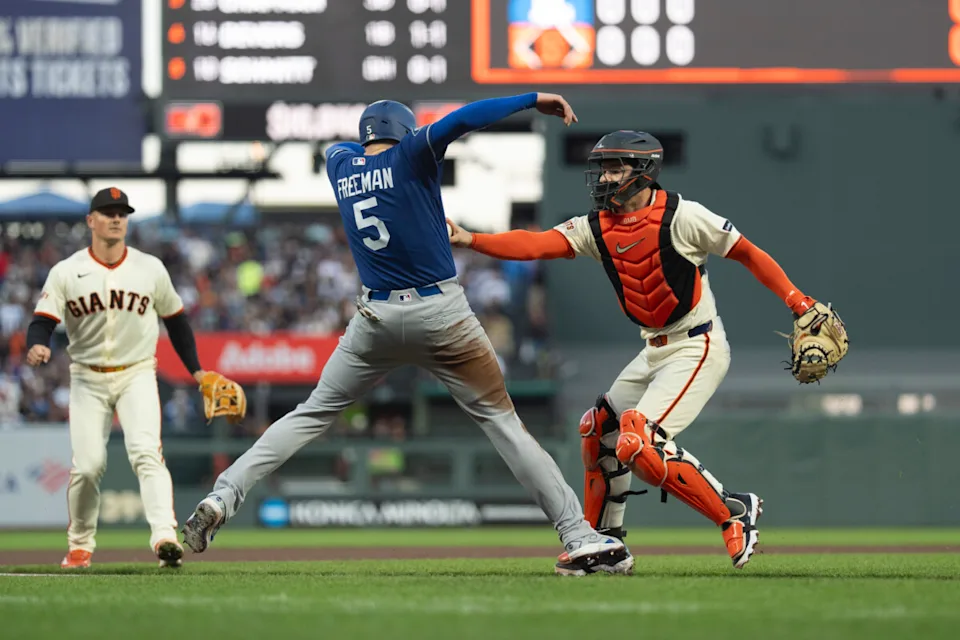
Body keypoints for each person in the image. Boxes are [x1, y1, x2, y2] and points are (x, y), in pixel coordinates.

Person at [181, 94, 633, 576]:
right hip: (440, 312)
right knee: (503, 424)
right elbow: (461, 119)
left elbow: (337, 150)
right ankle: (578, 534)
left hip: (374, 317)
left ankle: (222, 496)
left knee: (311, 413)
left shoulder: (341, 166)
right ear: (404, 130)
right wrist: (532, 99)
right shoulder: (411, 152)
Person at [448, 129, 835, 569]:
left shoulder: (682, 215)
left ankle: (733, 513)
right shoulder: (596, 226)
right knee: (598, 430)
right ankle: (602, 545)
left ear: (644, 171)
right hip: (652, 348)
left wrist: (798, 302)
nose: (604, 177)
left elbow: (747, 252)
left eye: (615, 168)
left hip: (697, 344)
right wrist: (472, 239)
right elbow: (537, 244)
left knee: (637, 440)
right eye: (603, 169)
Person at [26, 187, 212, 569]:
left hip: (137, 373)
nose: (116, 218)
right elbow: (42, 321)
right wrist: (38, 344)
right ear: (90, 221)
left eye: (122, 213)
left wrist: (197, 370)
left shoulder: (150, 267)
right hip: (87, 378)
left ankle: (164, 537)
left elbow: (177, 323)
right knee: (89, 465)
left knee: (147, 453)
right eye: (108, 212)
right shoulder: (67, 270)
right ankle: (79, 544)